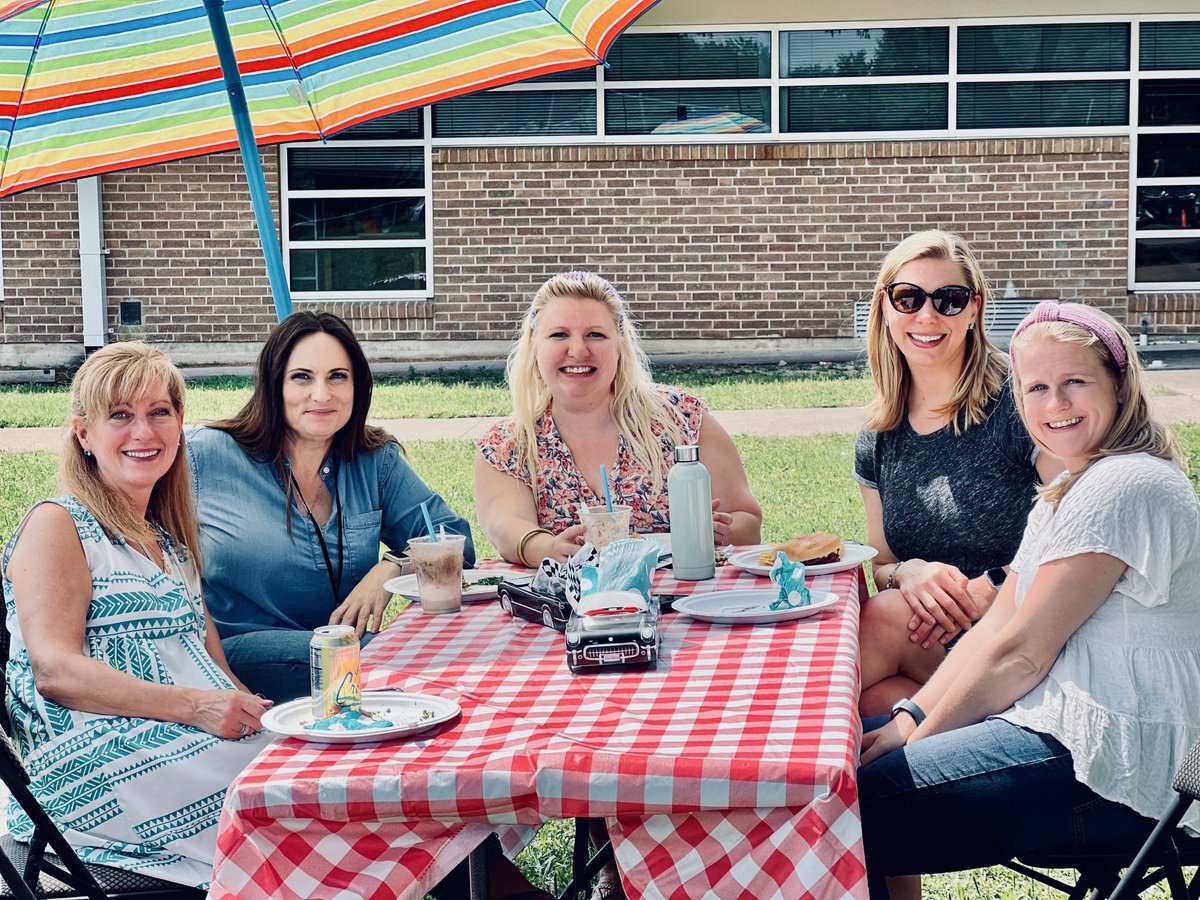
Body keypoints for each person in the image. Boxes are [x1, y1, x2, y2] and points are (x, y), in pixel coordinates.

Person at [857, 301, 1200, 899]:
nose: (1055, 403)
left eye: (1075, 382)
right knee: (842, 759)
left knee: (847, 803)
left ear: (1119, 385)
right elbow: (995, 629)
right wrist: (910, 718)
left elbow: (1020, 654)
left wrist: (915, 736)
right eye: (1036, 387)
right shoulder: (1072, 486)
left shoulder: (1125, 484)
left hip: (1124, 765)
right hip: (1061, 725)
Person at [2, 342, 273, 887]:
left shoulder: (169, 544)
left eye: (159, 412)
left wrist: (257, 716)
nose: (143, 432)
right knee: (287, 795)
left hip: (184, 740)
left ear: (179, 424)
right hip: (90, 761)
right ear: (84, 434)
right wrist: (197, 707)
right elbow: (56, 672)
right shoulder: (59, 524)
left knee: (311, 762)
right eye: (120, 415)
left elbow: (218, 672)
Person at [188, 311, 474, 702]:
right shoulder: (206, 455)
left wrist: (393, 566)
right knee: (401, 667)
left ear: (358, 386)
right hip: (235, 655)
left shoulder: (375, 461)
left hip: (345, 651)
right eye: (301, 377)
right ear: (274, 385)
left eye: (337, 376)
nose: (321, 394)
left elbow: (455, 541)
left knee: (439, 654)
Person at [854, 231, 1060, 716]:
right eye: (908, 298)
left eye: (949, 299)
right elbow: (882, 560)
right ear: (885, 307)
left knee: (881, 624)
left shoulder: (1019, 403)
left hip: (1026, 628)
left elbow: (1078, 521)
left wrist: (992, 586)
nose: (927, 316)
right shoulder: (878, 434)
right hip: (939, 637)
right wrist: (908, 572)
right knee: (871, 703)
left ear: (974, 310)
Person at [476, 270, 762, 567]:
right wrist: (546, 547)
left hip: (680, 592)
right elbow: (506, 525)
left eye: (595, 335)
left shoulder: (680, 417)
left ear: (620, 345)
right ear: (535, 345)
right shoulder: (509, 444)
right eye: (559, 334)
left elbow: (747, 521)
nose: (578, 350)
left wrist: (714, 532)